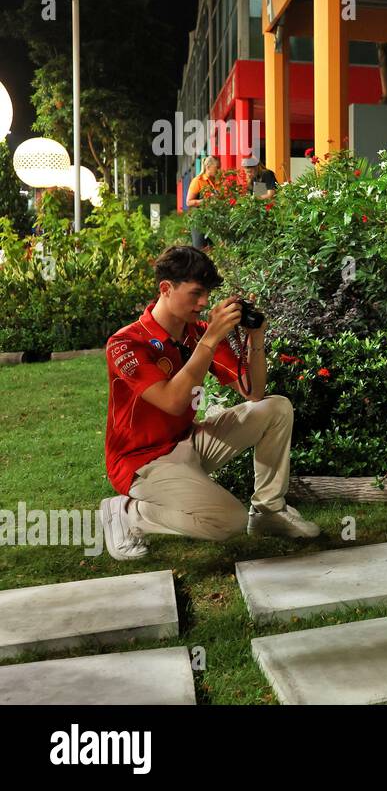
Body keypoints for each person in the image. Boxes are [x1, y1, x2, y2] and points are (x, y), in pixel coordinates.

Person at [98, 245, 320, 560]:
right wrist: (210, 339)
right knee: (226, 521)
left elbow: (254, 393)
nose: (204, 303)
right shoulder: (126, 343)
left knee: (275, 407)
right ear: (166, 288)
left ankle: (269, 513)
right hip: (141, 462)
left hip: (187, 442)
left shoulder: (196, 333)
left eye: (207, 294)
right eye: (196, 293)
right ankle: (128, 512)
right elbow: (173, 402)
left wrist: (256, 338)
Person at [186, 155, 221, 249]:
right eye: (216, 168)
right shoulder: (197, 181)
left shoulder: (216, 182)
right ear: (208, 167)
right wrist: (206, 201)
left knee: (215, 249)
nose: (218, 170)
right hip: (199, 220)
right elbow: (188, 202)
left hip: (213, 220)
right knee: (200, 249)